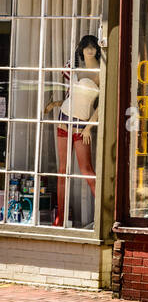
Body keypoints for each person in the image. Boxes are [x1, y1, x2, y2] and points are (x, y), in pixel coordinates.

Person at [44, 35, 101, 226]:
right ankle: (59, 217)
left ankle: (103, 214)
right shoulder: (75, 69)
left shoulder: (101, 72)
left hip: (81, 125)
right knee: (62, 170)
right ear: (81, 50)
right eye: (86, 47)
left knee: (87, 171)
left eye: (93, 46)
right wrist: (56, 103)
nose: (90, 50)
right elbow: (74, 97)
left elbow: (101, 106)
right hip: (63, 119)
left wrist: (89, 127)